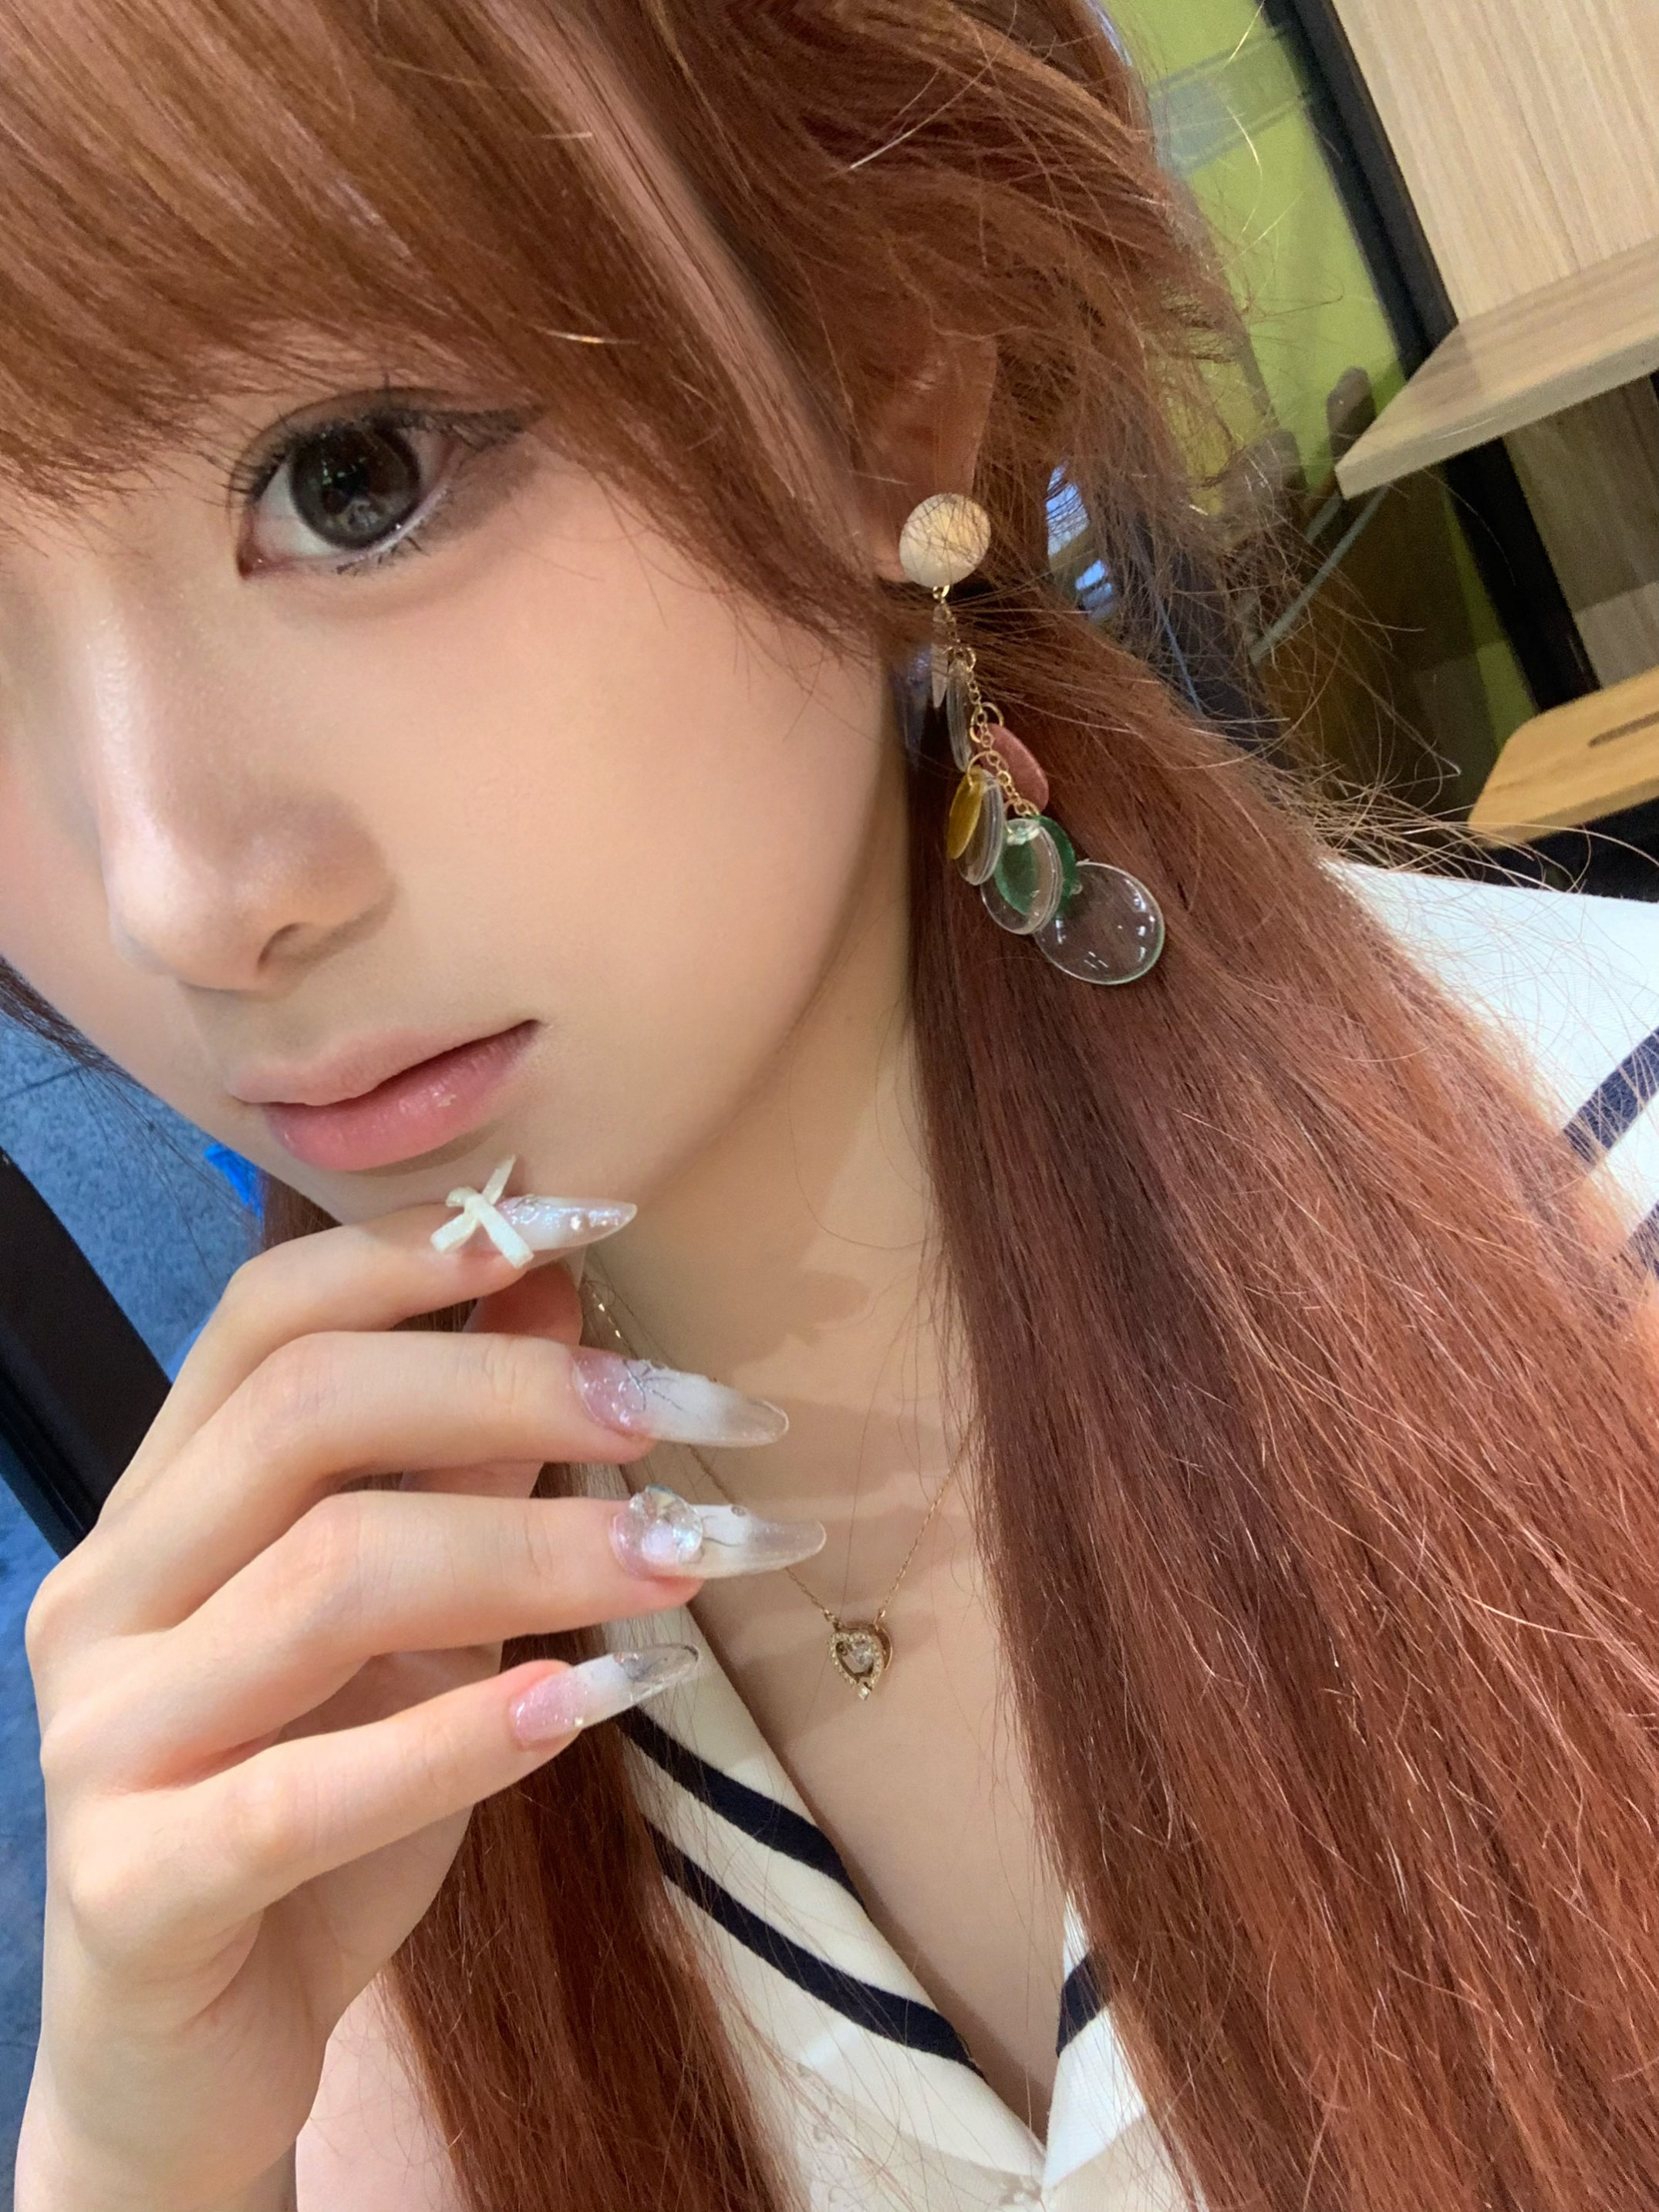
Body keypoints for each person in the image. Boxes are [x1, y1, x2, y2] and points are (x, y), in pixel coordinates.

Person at [5, 4, 1659, 2208]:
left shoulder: (1587, 1255)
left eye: (353, 475)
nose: (182, 897)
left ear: (889, 364)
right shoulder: (388, 1713)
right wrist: (137, 2145)